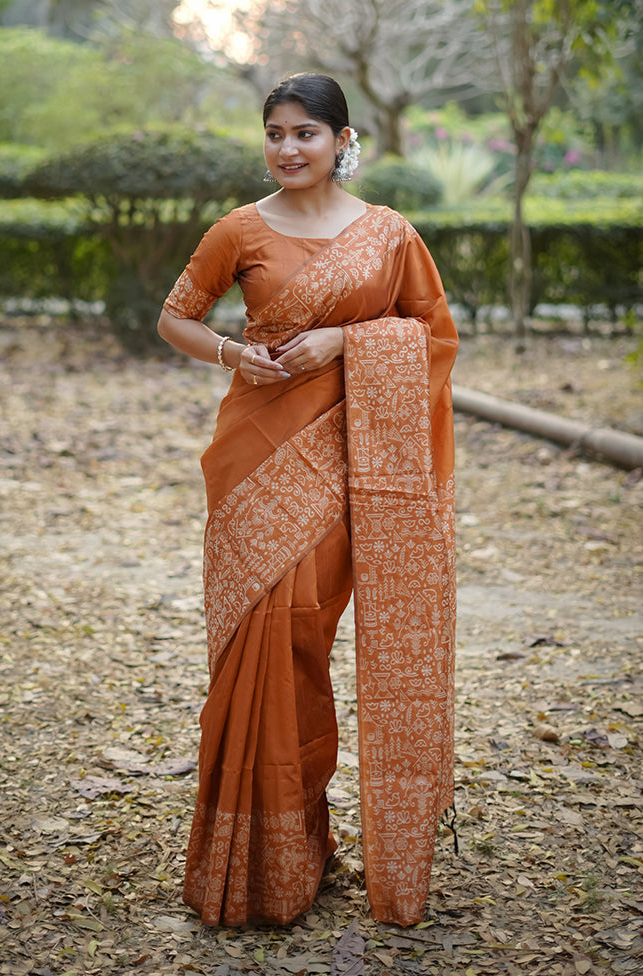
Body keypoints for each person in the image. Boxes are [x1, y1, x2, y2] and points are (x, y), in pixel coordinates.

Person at [157, 73, 458, 928]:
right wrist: (227, 354)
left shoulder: (391, 237)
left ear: (342, 139)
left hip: (350, 468)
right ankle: (260, 864)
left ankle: (301, 847)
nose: (288, 149)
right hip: (253, 461)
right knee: (261, 650)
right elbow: (174, 318)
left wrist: (349, 341)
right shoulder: (239, 230)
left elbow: (434, 338)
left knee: (304, 639)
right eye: (275, 133)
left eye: (305, 134)